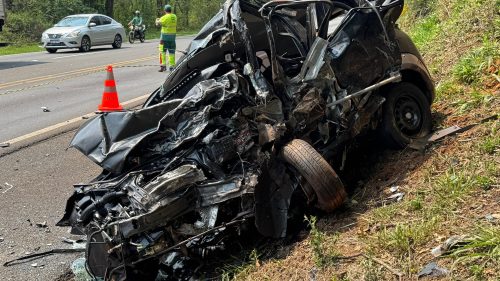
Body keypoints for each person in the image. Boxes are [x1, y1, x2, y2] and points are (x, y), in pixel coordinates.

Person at [156, 5, 177, 72]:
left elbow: (157, 24)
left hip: (164, 38)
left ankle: (163, 66)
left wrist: (157, 20)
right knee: (172, 52)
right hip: (172, 38)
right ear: (171, 10)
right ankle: (172, 67)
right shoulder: (174, 16)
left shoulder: (164, 17)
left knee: (162, 52)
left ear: (165, 10)